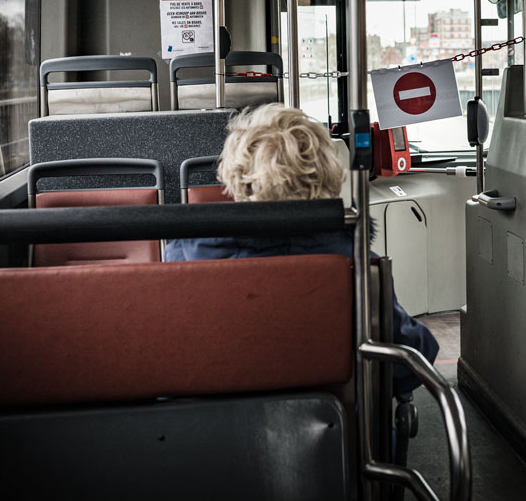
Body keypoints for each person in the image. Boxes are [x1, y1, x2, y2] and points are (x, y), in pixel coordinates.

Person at [165, 103, 438, 395]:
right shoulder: (356, 262)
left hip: (212, 420)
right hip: (338, 425)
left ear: (237, 176)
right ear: (326, 172)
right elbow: (408, 363)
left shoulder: (184, 254)